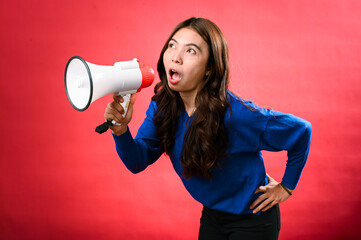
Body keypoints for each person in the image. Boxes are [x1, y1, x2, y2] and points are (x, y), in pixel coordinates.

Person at [104, 17, 311, 240]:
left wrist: (287, 187)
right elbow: (137, 161)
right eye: (172, 45)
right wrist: (120, 130)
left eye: (190, 51)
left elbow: (302, 131)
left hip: (253, 220)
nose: (176, 57)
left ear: (209, 69)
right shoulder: (162, 106)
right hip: (213, 216)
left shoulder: (238, 115)